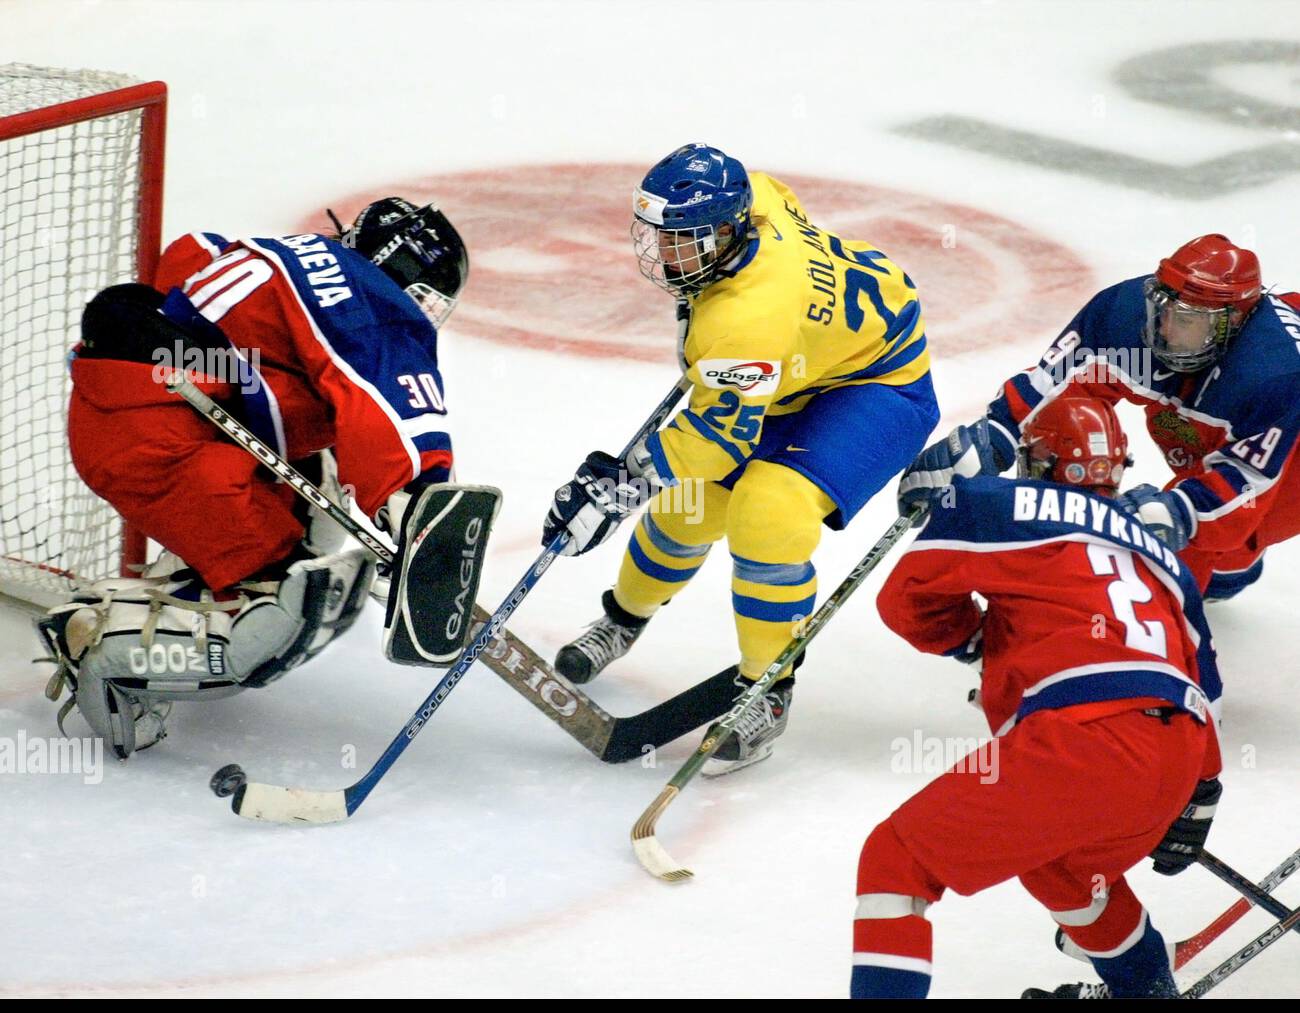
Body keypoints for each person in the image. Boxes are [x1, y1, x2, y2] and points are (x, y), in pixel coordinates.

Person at [37, 198, 492, 759]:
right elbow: (388, 397)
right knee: (282, 614)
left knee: (318, 507)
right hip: (160, 443)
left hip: (156, 420)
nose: (420, 313)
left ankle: (201, 578)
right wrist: (418, 501)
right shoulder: (367, 299)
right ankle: (97, 644)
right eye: (424, 297)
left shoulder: (296, 260)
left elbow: (187, 257)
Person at [542, 143, 940, 775]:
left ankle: (767, 691)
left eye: (683, 239)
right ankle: (623, 619)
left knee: (767, 513)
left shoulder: (747, 320)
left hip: (878, 388)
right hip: (799, 369)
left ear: (728, 232)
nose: (662, 252)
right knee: (686, 510)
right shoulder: (756, 194)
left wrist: (620, 488)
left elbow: (714, 439)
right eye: (659, 234)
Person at [853, 395, 1223, 999]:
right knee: (1065, 868)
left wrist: (969, 634)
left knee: (896, 859)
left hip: (1087, 740)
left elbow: (906, 601)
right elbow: (1203, 683)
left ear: (1040, 461)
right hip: (1180, 750)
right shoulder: (1166, 561)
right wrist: (1203, 787)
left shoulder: (1004, 503)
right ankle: (1149, 1002)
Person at [898, 234, 1300, 601]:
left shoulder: (1273, 374)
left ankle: (1233, 562)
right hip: (1210, 417)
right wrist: (993, 435)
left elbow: (1244, 486)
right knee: (1106, 429)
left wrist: (1179, 512)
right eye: (1163, 309)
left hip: (1289, 450)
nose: (1165, 330)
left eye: (1188, 321)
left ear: (1233, 321)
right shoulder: (1125, 314)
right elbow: (1057, 384)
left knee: (1212, 549)